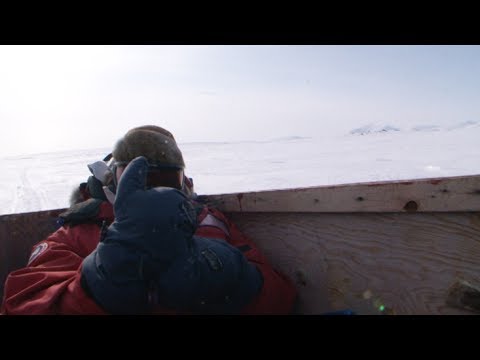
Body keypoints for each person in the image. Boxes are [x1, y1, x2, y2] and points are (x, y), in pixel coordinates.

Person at [1, 125, 297, 315]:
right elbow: (23, 303)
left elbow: (281, 298)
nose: (151, 190)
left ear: (183, 184)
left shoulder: (211, 223)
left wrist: (232, 277)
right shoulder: (76, 233)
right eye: (135, 177)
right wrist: (100, 284)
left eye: (165, 178)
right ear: (111, 182)